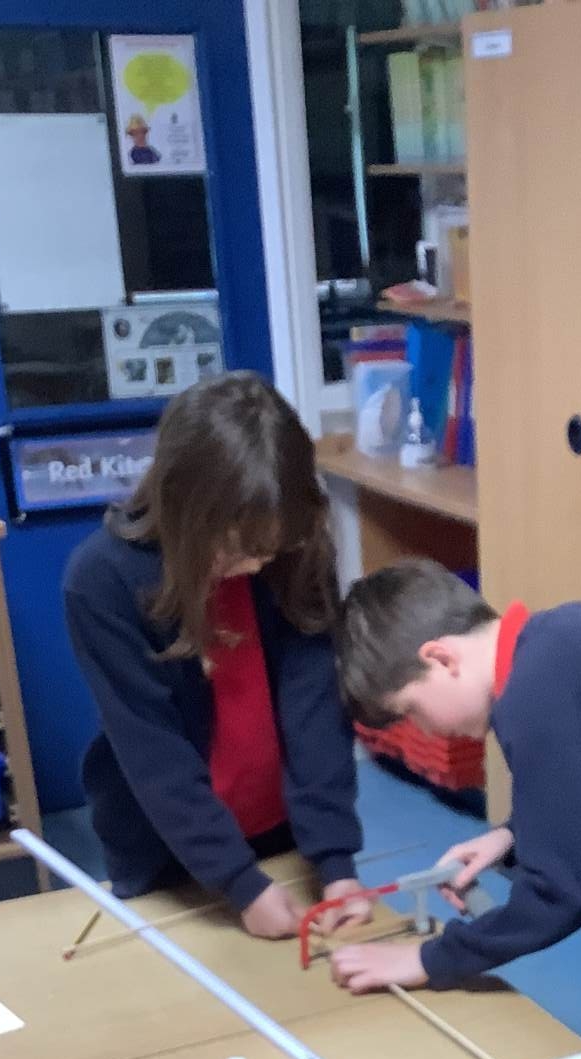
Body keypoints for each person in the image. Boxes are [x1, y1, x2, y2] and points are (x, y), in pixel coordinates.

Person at [64, 372, 366, 939]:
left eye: (270, 547)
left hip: (280, 836)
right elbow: (153, 751)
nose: (255, 565)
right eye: (238, 548)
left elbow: (316, 710)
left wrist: (335, 863)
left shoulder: (293, 554)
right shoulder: (101, 580)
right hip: (165, 851)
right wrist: (239, 884)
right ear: (185, 510)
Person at [327, 559, 581, 992]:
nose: (425, 731)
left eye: (411, 710)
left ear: (441, 659)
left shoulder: (534, 699)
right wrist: (512, 836)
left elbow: (561, 892)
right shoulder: (553, 642)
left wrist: (428, 959)